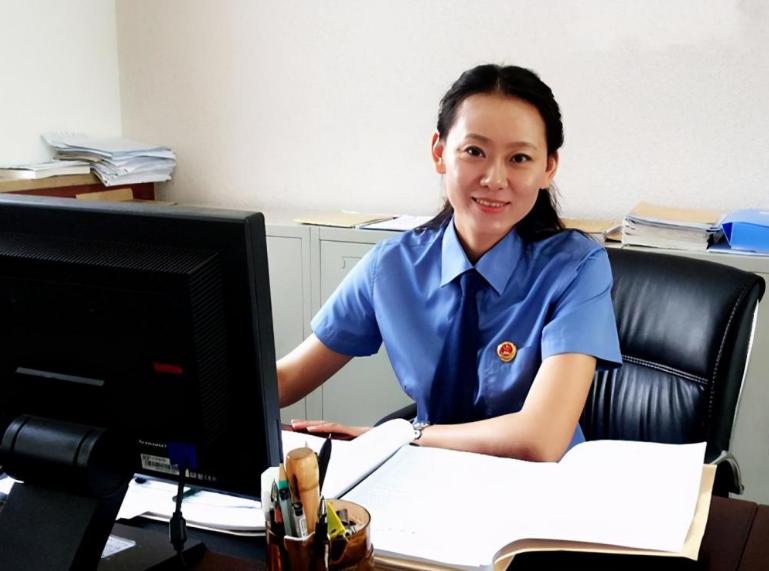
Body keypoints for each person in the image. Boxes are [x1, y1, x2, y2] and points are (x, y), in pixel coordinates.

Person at [278, 64, 621, 462]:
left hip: (536, 485)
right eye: (474, 152)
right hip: (424, 476)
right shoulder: (392, 266)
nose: (494, 179)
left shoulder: (576, 267)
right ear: (439, 153)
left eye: (519, 158)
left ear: (548, 168)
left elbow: (539, 440)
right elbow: (288, 378)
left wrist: (396, 436)